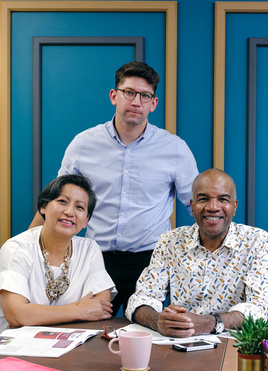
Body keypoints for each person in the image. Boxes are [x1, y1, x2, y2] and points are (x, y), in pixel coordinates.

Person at [29, 61, 199, 316]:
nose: (136, 101)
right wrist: (20, 249)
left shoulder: (175, 149)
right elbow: (56, 202)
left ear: (153, 103)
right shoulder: (83, 144)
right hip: (94, 257)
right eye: (129, 92)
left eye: (145, 96)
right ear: (114, 96)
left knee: (146, 332)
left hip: (150, 260)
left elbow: (198, 207)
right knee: (87, 330)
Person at [0, 175, 115, 349]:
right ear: (43, 207)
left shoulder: (89, 250)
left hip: (60, 346)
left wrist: (33, 314)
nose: (70, 212)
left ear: (86, 220)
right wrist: (80, 310)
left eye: (79, 207)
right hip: (1, 344)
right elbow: (16, 315)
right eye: (62, 202)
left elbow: (100, 307)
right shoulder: (17, 248)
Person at [125, 169, 268, 337]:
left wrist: (209, 323)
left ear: (234, 206)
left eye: (223, 199)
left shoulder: (258, 241)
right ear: (192, 205)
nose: (212, 207)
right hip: (178, 343)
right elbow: (140, 299)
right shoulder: (170, 242)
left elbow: (259, 309)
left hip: (235, 346)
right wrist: (159, 321)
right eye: (203, 199)